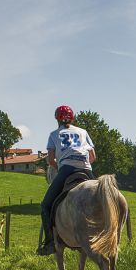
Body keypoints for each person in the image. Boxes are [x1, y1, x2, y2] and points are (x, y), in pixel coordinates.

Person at [38, 105, 96, 255]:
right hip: (86, 170)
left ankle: (50, 243)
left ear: (57, 119)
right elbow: (93, 157)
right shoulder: (83, 132)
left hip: (66, 170)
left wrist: (62, 165)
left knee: (45, 206)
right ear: (73, 118)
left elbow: (51, 160)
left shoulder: (53, 134)